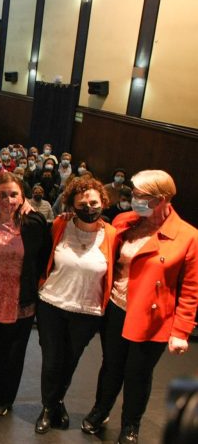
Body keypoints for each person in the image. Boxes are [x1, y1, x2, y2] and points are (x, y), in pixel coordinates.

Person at [82, 170, 198, 444]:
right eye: (133, 194)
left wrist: (180, 331)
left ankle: (130, 425)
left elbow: (191, 290)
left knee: (138, 374)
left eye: (141, 196)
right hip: (116, 308)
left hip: (152, 318)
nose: (134, 199)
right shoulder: (126, 221)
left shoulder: (188, 236)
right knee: (110, 367)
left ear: (162, 198)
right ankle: (101, 411)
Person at [34, 177, 117, 434]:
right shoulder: (60, 225)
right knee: (51, 361)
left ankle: (58, 401)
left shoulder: (112, 234)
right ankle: (47, 408)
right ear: (72, 205)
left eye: (93, 202)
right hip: (52, 304)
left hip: (87, 311)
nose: (89, 207)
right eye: (82, 203)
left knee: (70, 361)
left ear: (103, 202)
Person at [0, 173, 50, 416]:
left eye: (14, 194)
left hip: (19, 302)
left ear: (22, 195)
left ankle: (3, 399)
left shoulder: (34, 223)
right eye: (2, 194)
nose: (8, 199)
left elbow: (43, 258)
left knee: (11, 355)